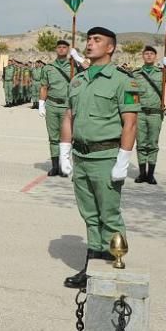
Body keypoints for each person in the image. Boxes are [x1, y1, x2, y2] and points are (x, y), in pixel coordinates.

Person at [59, 27, 140, 289]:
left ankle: (114, 267)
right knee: (90, 214)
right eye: (89, 39)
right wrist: (64, 150)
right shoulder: (78, 81)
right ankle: (92, 265)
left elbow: (130, 123)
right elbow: (68, 116)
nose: (90, 44)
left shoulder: (123, 81)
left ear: (110, 48)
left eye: (97, 40)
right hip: (82, 156)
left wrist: (123, 160)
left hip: (105, 157)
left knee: (109, 215)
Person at [133, 46, 166, 184]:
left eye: (151, 54)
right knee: (141, 143)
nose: (149, 56)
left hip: (155, 113)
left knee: (153, 144)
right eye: (146, 54)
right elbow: (130, 93)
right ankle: (142, 173)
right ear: (142, 56)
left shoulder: (162, 73)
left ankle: (151, 174)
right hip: (140, 112)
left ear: (155, 57)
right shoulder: (136, 74)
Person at [39, 40, 74, 176]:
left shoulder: (73, 66)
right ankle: (55, 167)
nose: (61, 49)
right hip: (52, 105)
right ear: (56, 49)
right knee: (53, 137)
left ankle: (64, 166)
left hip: (67, 106)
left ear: (68, 49)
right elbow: (44, 87)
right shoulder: (48, 68)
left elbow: (89, 68)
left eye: (64, 47)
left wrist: (77, 58)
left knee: (67, 138)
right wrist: (41, 103)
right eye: (59, 47)